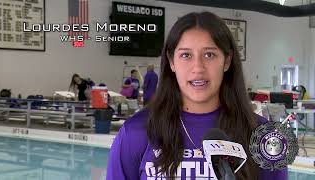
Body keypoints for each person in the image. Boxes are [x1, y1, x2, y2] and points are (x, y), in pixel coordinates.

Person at [107, 12, 287, 179]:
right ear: (171, 62)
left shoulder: (264, 137)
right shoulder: (135, 133)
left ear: (227, 61)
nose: (198, 68)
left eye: (209, 54)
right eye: (186, 55)